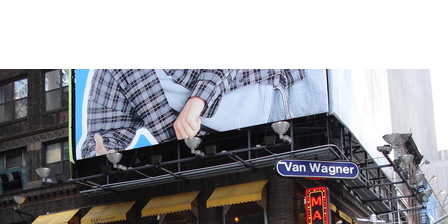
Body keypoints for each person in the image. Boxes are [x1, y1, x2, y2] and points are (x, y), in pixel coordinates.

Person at [78, 69, 322, 158]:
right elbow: (101, 135)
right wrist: (101, 152)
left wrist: (197, 100)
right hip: (231, 149)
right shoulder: (113, 72)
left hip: (286, 97)